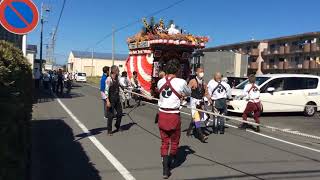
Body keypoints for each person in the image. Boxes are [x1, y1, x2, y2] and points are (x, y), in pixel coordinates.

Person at [157, 59, 191, 179]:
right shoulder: (181, 82)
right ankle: (170, 160)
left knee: (164, 141)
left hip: (162, 114)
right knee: (175, 140)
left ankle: (165, 169)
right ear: (177, 69)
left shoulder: (160, 81)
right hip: (173, 115)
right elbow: (189, 93)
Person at [186, 68, 208, 142]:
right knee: (197, 118)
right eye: (200, 71)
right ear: (196, 72)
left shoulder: (204, 82)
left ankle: (189, 130)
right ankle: (201, 135)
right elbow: (187, 90)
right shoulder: (192, 81)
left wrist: (209, 99)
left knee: (203, 116)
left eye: (203, 71)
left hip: (201, 102)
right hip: (194, 101)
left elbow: (206, 92)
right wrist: (183, 97)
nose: (202, 73)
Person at [105, 65, 123, 135]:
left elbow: (120, 85)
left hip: (117, 98)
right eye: (118, 70)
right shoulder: (109, 79)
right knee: (111, 115)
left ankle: (117, 125)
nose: (119, 71)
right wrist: (107, 101)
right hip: (111, 98)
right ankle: (109, 130)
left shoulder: (117, 78)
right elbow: (106, 90)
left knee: (120, 113)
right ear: (115, 71)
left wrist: (124, 88)